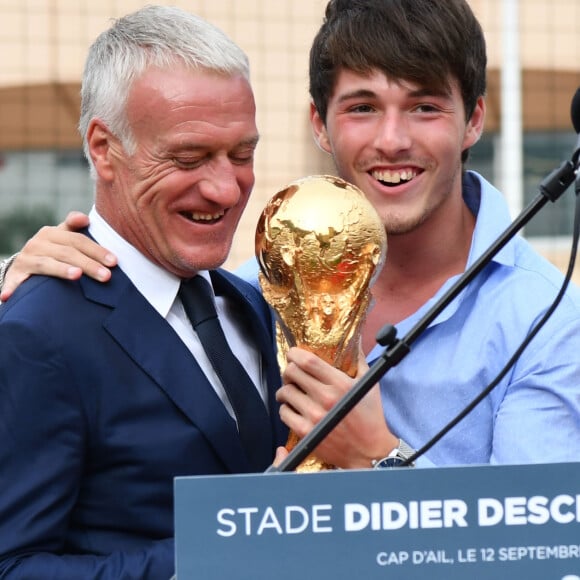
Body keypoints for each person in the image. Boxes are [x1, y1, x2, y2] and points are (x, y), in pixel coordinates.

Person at [3, 0, 580, 470]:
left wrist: (379, 460)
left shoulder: (549, 324)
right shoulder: (247, 293)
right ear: (319, 125)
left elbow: (542, 555)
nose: (392, 140)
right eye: (362, 108)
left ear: (474, 119)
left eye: (425, 107)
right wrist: (21, 283)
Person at [0, 6, 288, 579]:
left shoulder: (252, 302)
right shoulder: (36, 332)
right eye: (189, 157)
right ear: (104, 149)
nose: (226, 188)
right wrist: (217, 557)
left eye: (242, 154)